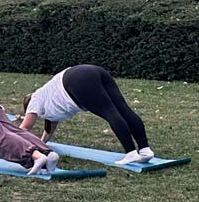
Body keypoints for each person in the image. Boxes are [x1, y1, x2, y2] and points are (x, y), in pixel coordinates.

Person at [20, 65, 155, 165]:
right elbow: (50, 126)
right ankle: (145, 150)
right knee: (123, 110)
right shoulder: (49, 104)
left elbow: (24, 128)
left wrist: (16, 144)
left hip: (76, 80)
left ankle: (131, 153)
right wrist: (42, 144)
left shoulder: (35, 99)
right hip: (92, 71)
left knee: (110, 113)